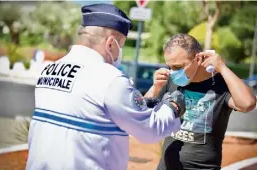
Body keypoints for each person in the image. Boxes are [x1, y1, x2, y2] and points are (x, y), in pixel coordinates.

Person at [26, 4, 185, 170]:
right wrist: (173, 107)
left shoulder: (49, 70)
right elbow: (150, 130)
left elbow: (112, 113)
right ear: (110, 43)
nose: (119, 52)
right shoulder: (110, 78)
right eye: (121, 45)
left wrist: (151, 94)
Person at [144, 33, 257, 170]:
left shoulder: (220, 83)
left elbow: (247, 103)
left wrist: (222, 67)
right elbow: (142, 112)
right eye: (170, 66)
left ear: (198, 59)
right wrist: (155, 88)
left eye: (178, 67)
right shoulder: (170, 79)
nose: (173, 72)